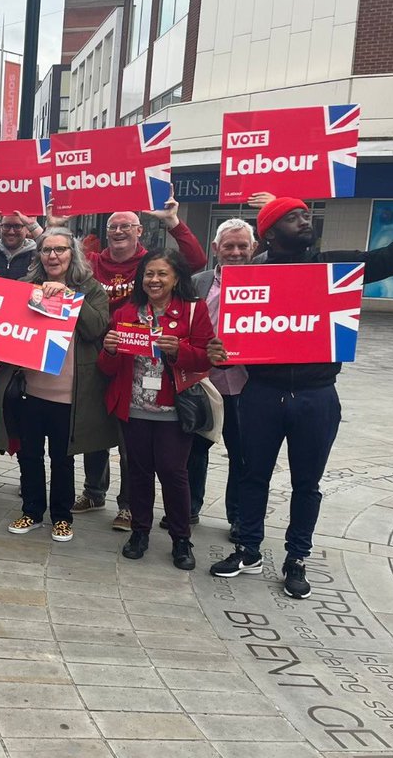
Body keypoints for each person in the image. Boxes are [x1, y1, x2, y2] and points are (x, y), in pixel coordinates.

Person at [209, 196, 393, 599]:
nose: (305, 221)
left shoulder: (334, 267)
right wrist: (220, 349)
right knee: (252, 475)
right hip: (262, 393)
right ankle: (248, 549)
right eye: (293, 217)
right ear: (270, 233)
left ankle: (297, 558)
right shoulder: (250, 276)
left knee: (307, 483)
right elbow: (228, 335)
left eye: (306, 215)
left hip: (316, 394)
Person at [57, 196, 206, 534]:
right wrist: (53, 226)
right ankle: (94, 492)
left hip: (140, 363)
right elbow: (59, 255)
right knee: (94, 429)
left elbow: (195, 261)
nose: (119, 231)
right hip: (98, 355)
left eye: (126, 225)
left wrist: (173, 222)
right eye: (113, 226)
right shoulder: (93, 261)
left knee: (130, 443)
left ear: (140, 230)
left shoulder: (149, 263)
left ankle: (127, 505)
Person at [0, 228, 116, 542]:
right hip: (30, 391)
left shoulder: (91, 288)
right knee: (29, 456)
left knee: (62, 459)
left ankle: (62, 517)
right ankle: (31, 511)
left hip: (69, 395)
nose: (53, 256)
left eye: (60, 249)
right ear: (39, 255)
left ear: (73, 254)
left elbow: (96, 329)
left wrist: (68, 296)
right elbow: (7, 333)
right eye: (47, 250)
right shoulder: (25, 286)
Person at [98, 249, 214, 570]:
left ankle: (181, 539)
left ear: (176, 278)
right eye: (149, 274)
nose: (154, 280)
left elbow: (207, 357)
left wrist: (180, 350)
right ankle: (140, 532)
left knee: (173, 473)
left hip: (173, 409)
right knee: (138, 472)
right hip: (135, 407)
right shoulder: (126, 312)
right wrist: (109, 351)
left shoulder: (193, 309)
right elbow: (107, 368)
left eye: (162, 273)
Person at [168, 218, 254, 538]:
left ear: (254, 249)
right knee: (194, 449)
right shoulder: (197, 283)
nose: (236, 252)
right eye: (229, 246)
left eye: (243, 246)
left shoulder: (267, 282)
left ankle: (238, 517)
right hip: (203, 381)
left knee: (243, 454)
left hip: (247, 384)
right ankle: (189, 508)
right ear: (216, 248)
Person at [0, 210, 43, 280]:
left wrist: (34, 226)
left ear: (27, 229)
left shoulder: (36, 258)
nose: (11, 232)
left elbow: (49, 246)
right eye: (6, 226)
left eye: (17, 226)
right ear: (0, 227)